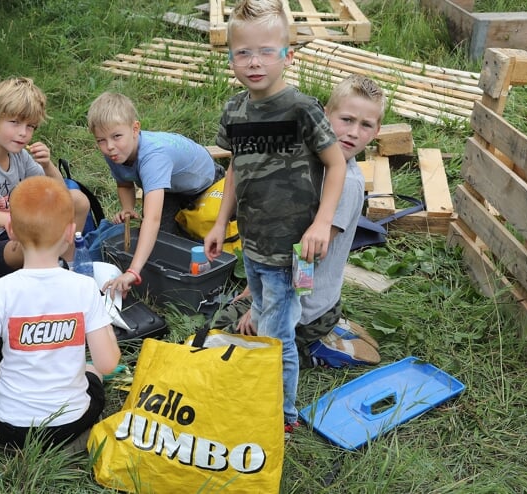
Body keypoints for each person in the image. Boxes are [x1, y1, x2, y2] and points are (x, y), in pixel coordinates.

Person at [202, 0, 347, 439]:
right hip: (253, 240)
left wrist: (322, 223)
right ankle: (267, 383)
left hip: (294, 247)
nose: (254, 62)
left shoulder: (301, 109)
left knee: (277, 335)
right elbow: (235, 169)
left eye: (266, 51)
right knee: (266, 311)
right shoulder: (235, 112)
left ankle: (281, 413)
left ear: (288, 54)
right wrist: (219, 223)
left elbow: (336, 165)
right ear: (230, 58)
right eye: (243, 53)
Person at [0, 176, 121, 450]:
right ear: (69, 232)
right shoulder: (85, 287)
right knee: (92, 371)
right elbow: (109, 363)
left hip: (11, 429)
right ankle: (75, 441)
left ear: (11, 230)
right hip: (71, 424)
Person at [212, 74, 387, 369]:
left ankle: (314, 348)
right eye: (346, 119)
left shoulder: (347, 184)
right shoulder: (312, 157)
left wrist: (261, 311)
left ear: (377, 130)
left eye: (365, 125)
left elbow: (306, 261)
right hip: (288, 285)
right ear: (324, 115)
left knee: (222, 345)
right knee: (225, 318)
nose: (353, 132)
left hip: (302, 307)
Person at [0, 77, 90, 284]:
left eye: (30, 126)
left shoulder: (18, 155)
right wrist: (8, 221)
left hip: (11, 231)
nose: (23, 133)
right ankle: (49, 267)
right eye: (14, 122)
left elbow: (61, 194)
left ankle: (68, 268)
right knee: (35, 244)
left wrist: (47, 165)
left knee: (77, 200)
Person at [87, 91, 224, 296]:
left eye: (116, 136)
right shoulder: (114, 151)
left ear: (135, 129)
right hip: (170, 188)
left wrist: (133, 271)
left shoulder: (153, 158)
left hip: (204, 184)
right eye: (101, 140)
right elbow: (124, 183)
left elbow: (152, 219)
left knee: (187, 240)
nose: (109, 147)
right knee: (160, 242)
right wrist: (127, 208)